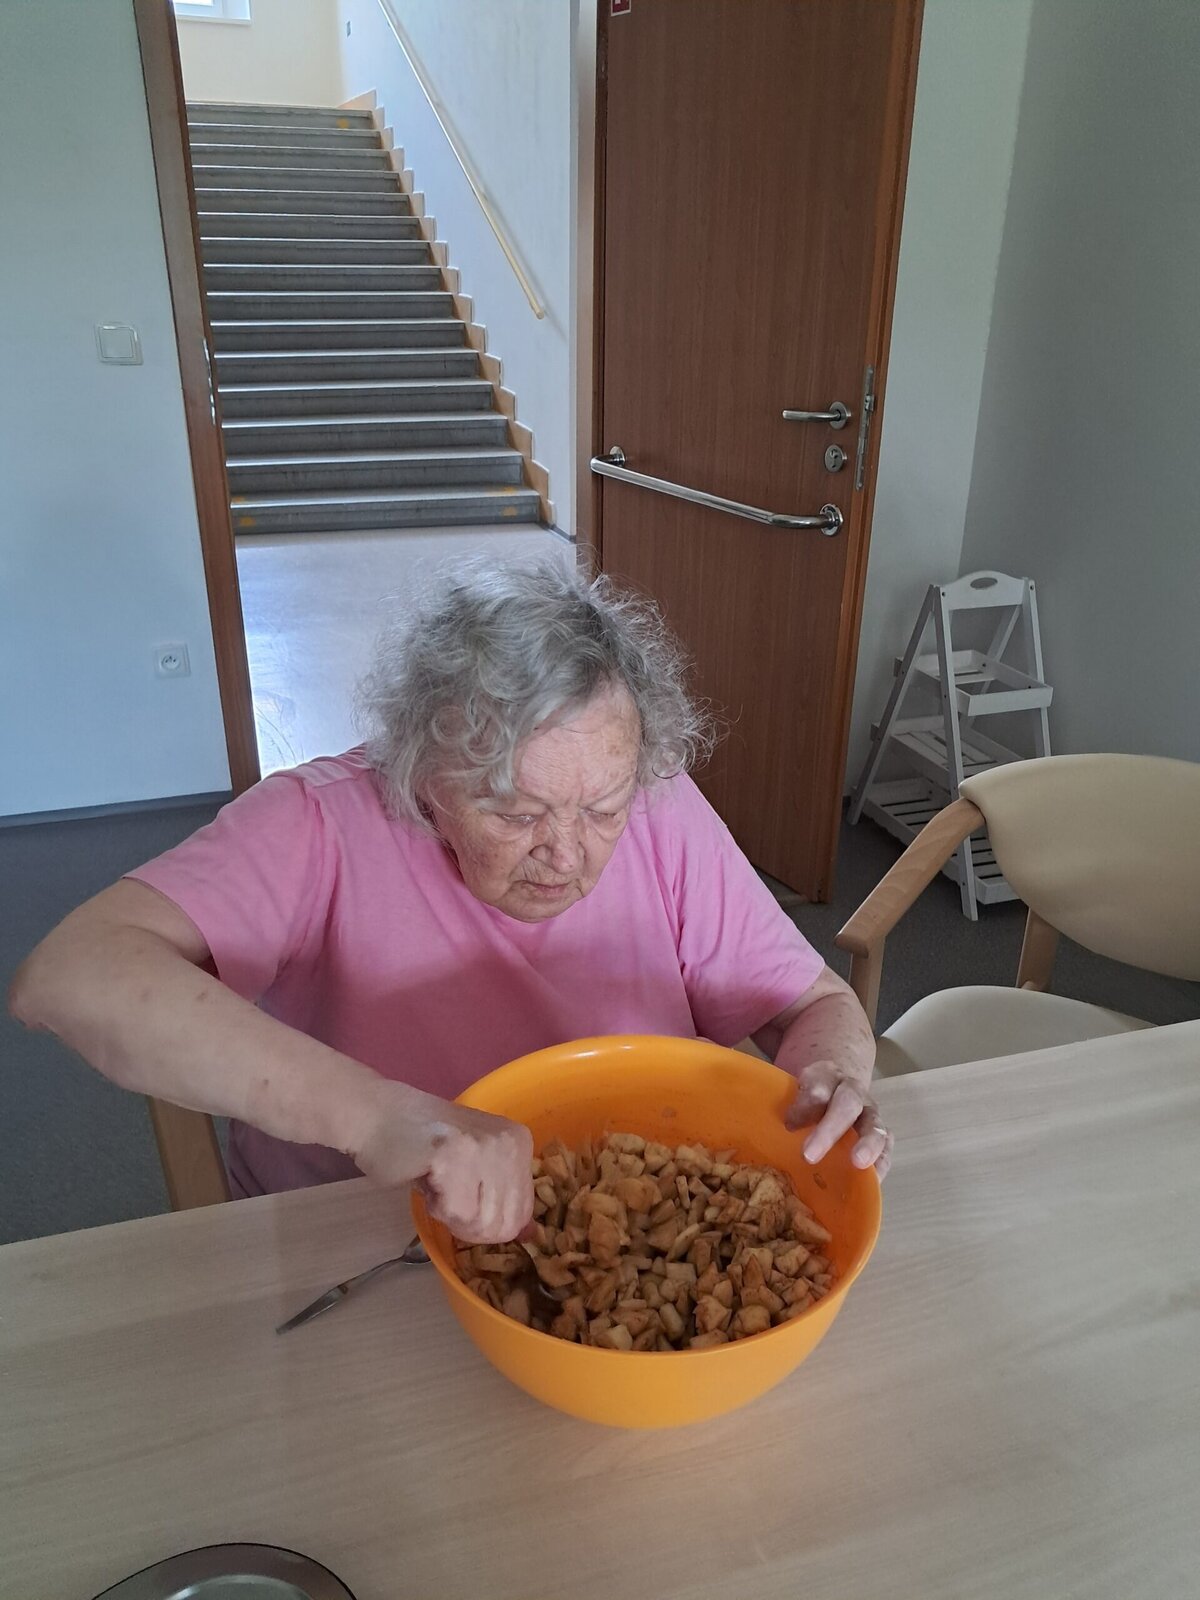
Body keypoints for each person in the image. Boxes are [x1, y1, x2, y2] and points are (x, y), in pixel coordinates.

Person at [10, 559, 890, 1244]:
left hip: (624, 1217)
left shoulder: (659, 801)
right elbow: (68, 976)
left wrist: (836, 1076)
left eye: (602, 811)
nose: (567, 854)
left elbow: (813, 1005)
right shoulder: (318, 823)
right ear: (422, 772)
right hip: (361, 1246)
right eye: (516, 813)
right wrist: (381, 1115)